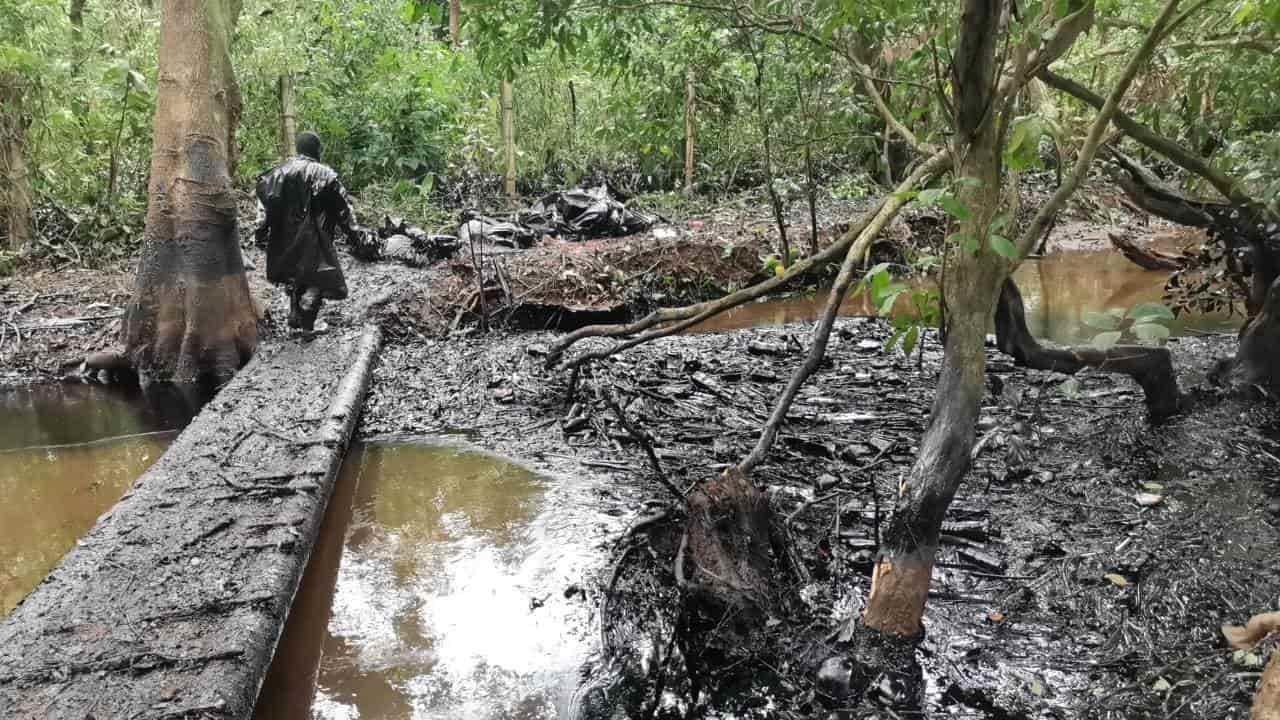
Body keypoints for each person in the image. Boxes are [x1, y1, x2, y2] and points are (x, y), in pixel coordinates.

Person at [253, 131, 362, 333]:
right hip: (315, 237)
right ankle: (307, 325)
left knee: (294, 274)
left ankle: (296, 315)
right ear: (317, 150)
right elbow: (344, 210)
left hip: (283, 239)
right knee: (316, 279)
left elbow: (264, 208)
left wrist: (260, 234)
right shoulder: (326, 174)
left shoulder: (277, 173)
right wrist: (356, 237)